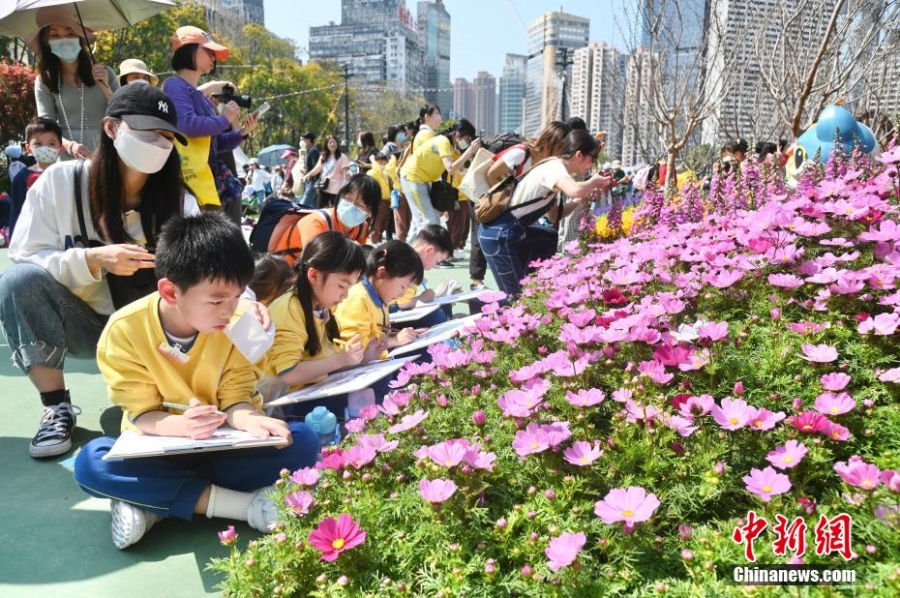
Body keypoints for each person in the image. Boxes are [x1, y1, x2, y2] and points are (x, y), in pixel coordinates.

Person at [72, 212, 320, 550]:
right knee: (91, 463)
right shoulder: (124, 330)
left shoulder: (236, 322)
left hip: (223, 447)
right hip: (159, 449)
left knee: (302, 440)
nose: (227, 310)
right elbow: (142, 414)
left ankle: (156, 503)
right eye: (217, 300)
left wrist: (253, 419)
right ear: (171, 292)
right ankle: (245, 506)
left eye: (236, 297)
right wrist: (182, 427)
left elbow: (235, 397)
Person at [0, 83, 198, 459]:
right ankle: (56, 405)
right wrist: (91, 260)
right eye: (146, 132)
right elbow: (24, 255)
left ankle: (166, 388)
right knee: (17, 283)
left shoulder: (179, 200)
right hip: (83, 322)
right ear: (111, 128)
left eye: (167, 136)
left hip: (152, 331)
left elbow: (205, 273)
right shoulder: (60, 182)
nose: (158, 143)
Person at [479, 129, 611, 298]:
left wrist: (578, 202)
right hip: (499, 235)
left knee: (548, 237)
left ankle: (533, 282)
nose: (591, 165)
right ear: (579, 155)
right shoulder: (555, 167)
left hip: (507, 233)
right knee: (515, 299)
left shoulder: (555, 169)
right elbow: (574, 190)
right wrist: (592, 182)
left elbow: (554, 216)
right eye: (592, 158)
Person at [266, 232, 380, 418]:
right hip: (284, 405)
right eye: (342, 286)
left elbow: (324, 362)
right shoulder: (289, 308)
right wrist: (340, 359)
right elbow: (289, 374)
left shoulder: (320, 306)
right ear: (314, 275)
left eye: (350, 287)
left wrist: (361, 358)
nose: (345, 295)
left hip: (309, 392)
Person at [162, 26, 259, 213]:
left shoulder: (200, 97)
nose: (213, 57)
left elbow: (215, 144)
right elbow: (187, 124)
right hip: (188, 183)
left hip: (205, 180)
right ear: (189, 50)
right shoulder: (174, 85)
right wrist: (223, 119)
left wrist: (242, 132)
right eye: (208, 50)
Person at [32, 6, 118, 159]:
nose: (63, 39)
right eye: (55, 35)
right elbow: (47, 125)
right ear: (46, 40)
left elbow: (122, 113)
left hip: (106, 153)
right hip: (67, 156)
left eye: (70, 33)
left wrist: (105, 87)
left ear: (80, 37)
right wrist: (69, 145)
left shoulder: (106, 73)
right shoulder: (45, 81)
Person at [335, 241, 425, 361]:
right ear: (382, 273)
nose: (403, 293)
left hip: (375, 361)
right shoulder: (358, 298)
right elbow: (354, 348)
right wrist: (395, 340)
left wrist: (398, 334)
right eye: (403, 286)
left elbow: (377, 333)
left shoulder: (380, 297)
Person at [268, 174, 379, 266]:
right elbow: (318, 263)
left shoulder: (362, 228)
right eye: (347, 198)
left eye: (360, 204)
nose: (351, 206)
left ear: (370, 212)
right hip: (286, 275)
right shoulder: (316, 222)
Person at [400, 118, 481, 240]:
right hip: (413, 178)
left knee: (423, 220)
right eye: (467, 138)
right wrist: (469, 151)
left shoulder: (452, 146)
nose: (467, 142)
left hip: (423, 180)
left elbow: (462, 167)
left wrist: (476, 153)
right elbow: (451, 168)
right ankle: (419, 253)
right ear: (458, 134)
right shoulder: (443, 142)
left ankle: (408, 253)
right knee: (429, 220)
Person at [9, 118, 64, 238]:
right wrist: (14, 239)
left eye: (51, 143)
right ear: (28, 149)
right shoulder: (22, 178)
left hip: (62, 235)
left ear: (61, 149)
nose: (45, 148)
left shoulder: (66, 175)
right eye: (38, 144)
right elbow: (17, 211)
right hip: (33, 236)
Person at [391, 224, 453, 328]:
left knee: (442, 308)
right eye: (437, 261)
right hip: (389, 313)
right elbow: (404, 304)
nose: (435, 266)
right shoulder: (411, 264)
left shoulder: (405, 253)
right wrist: (424, 297)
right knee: (438, 315)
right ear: (429, 250)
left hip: (386, 309)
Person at [302, 135, 350, 208]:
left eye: (334, 142)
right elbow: (317, 169)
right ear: (326, 145)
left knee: (334, 212)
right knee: (320, 210)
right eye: (330, 142)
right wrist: (308, 175)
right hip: (324, 188)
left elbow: (345, 176)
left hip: (336, 191)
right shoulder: (323, 156)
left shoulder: (342, 157)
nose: (332, 144)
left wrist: (344, 190)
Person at [293, 132, 320, 207]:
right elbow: (310, 167)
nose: (301, 142)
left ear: (308, 140)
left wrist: (317, 184)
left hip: (312, 183)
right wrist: (304, 170)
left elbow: (317, 168)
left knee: (303, 205)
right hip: (308, 182)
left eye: (302, 139)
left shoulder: (313, 151)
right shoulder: (307, 152)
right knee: (314, 207)